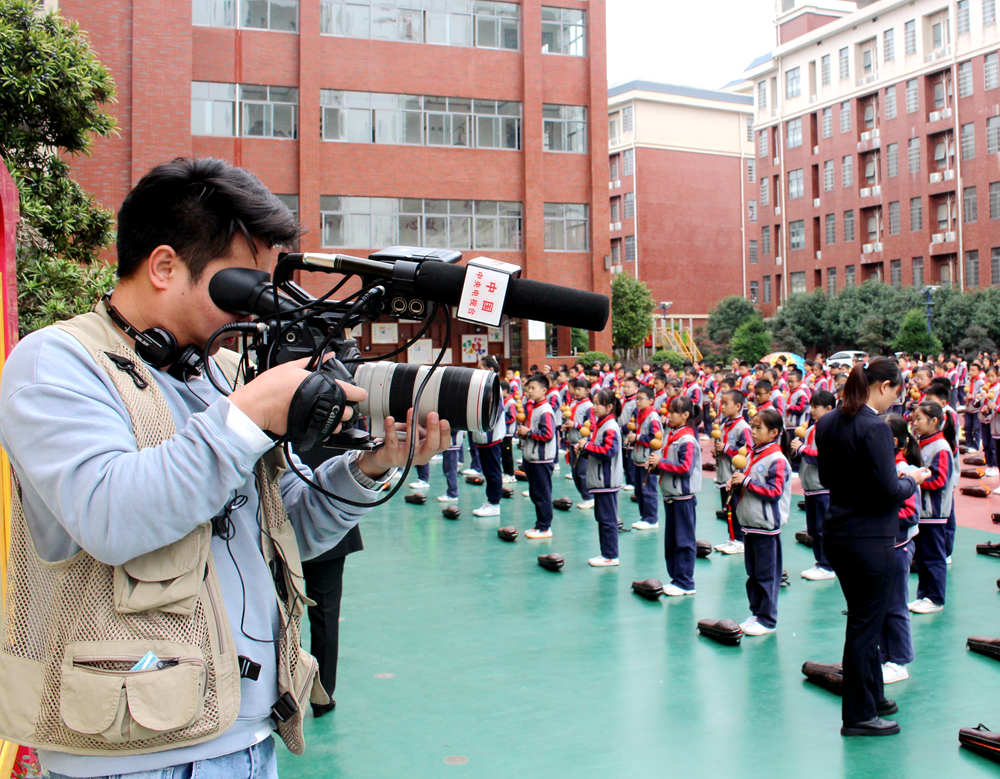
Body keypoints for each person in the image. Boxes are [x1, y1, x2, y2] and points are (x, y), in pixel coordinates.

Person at [0, 158, 449, 778]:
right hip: (134, 753)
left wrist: (371, 466)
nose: (259, 310)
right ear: (164, 267)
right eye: (243, 285)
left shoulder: (211, 376)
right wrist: (249, 413)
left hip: (244, 730)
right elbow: (110, 515)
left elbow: (288, 531)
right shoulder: (54, 363)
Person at [815, 358, 929, 737]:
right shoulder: (875, 429)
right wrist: (911, 480)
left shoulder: (828, 422)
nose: (896, 401)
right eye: (896, 392)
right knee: (865, 625)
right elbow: (887, 493)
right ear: (882, 386)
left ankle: (873, 696)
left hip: (840, 532)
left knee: (868, 619)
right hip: (870, 539)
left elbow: (832, 476)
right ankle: (859, 714)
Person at [730, 409, 789, 635]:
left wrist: (746, 482)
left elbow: (774, 492)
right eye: (752, 427)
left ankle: (767, 619)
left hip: (766, 526)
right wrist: (736, 484)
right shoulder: (753, 454)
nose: (753, 432)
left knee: (766, 575)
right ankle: (756, 613)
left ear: (773, 432)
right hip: (750, 523)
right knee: (753, 573)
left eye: (758, 428)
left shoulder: (777, 459)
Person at [881, 415, 922, 685]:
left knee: (895, 605)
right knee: (881, 604)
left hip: (898, 547)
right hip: (881, 547)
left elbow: (910, 513)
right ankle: (885, 654)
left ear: (893, 442)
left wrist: (876, 518)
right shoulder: (881, 467)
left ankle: (900, 661)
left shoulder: (904, 470)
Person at [649, 396, 701, 595]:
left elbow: (685, 468)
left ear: (685, 415)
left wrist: (661, 463)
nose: (668, 415)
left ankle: (686, 581)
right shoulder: (673, 435)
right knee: (672, 540)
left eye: (673, 412)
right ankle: (676, 578)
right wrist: (655, 467)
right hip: (671, 495)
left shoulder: (687, 440)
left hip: (683, 497)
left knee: (684, 540)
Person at [908, 401, 956, 615]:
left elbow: (939, 480)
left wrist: (913, 480)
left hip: (934, 513)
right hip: (922, 513)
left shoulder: (941, 448)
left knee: (934, 557)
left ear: (934, 421)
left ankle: (935, 597)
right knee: (923, 557)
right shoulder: (923, 443)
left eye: (919, 419)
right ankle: (923, 595)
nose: (915, 423)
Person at [793, 390, 836, 581]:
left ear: (828, 409)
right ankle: (820, 562)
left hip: (822, 486)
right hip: (810, 486)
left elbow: (825, 457)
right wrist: (799, 449)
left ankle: (827, 565)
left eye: (815, 407)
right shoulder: (812, 429)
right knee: (813, 528)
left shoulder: (830, 429)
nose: (811, 411)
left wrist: (803, 449)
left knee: (822, 528)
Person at [579, 388, 624, 566]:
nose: (595, 407)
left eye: (599, 404)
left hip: (607, 480)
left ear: (610, 407)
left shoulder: (610, 427)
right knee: (603, 519)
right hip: (601, 480)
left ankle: (611, 555)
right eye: (594, 403)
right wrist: (585, 449)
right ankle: (606, 553)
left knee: (607, 520)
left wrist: (588, 446)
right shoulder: (601, 424)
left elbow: (608, 451)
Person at [519, 373, 558, 540]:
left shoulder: (545, 411)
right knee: (536, 493)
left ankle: (544, 526)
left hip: (542, 459)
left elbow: (548, 434)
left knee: (542, 493)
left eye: (533, 388)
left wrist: (529, 434)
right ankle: (540, 524)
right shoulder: (534, 408)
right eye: (528, 389)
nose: (529, 391)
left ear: (544, 390)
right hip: (532, 457)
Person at [713, 389, 751, 555]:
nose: (722, 407)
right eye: (722, 403)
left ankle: (740, 540)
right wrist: (717, 451)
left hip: (734, 475)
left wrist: (727, 449)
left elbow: (748, 450)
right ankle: (732, 538)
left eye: (726, 404)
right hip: (723, 474)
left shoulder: (743, 427)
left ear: (738, 406)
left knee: (735, 508)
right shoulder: (723, 425)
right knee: (727, 507)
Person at [470, 355, 506, 517]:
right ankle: (491, 500)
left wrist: (485, 427)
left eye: (481, 368)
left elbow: (496, 412)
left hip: (490, 436)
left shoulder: (494, 387)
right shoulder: (486, 386)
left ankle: (494, 503)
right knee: (488, 469)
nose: (478, 371)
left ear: (490, 370)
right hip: (483, 436)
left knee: (493, 470)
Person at [628, 385, 662, 531]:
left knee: (648, 490)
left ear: (651, 401)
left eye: (641, 399)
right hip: (638, 457)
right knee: (640, 491)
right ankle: (644, 517)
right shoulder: (640, 414)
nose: (637, 402)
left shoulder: (652, 417)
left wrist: (637, 437)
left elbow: (655, 439)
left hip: (648, 459)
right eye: (637, 398)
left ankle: (652, 519)